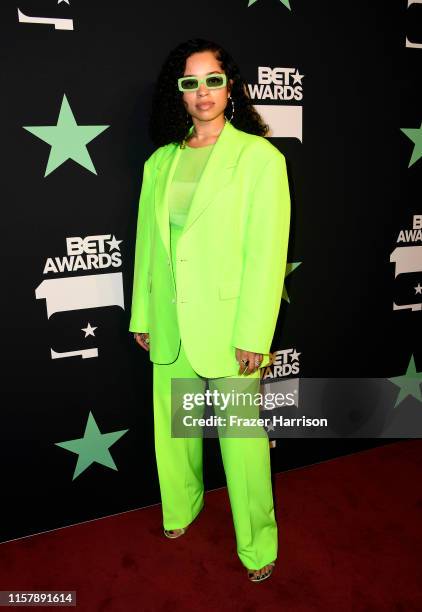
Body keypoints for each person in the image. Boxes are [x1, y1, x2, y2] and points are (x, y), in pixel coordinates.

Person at [129, 38, 291, 583]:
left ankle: (258, 543)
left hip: (230, 328)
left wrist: (254, 333)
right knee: (173, 432)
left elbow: (266, 254)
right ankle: (181, 508)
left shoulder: (259, 158)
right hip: (170, 321)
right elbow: (148, 247)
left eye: (212, 80)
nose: (202, 93)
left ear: (231, 86)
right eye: (190, 82)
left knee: (242, 447)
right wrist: (143, 316)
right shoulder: (161, 161)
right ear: (178, 92)